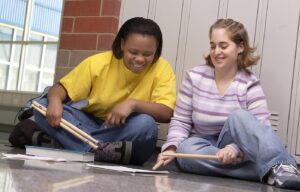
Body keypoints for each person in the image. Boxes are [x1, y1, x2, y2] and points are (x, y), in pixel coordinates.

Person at [9, 17, 176, 165]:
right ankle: (102, 152)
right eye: (133, 52)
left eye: (147, 54)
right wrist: (55, 102)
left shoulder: (162, 68)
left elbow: (166, 112)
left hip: (123, 129)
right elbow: (59, 89)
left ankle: (70, 146)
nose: (140, 59)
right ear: (122, 44)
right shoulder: (98, 62)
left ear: (156, 50)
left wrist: (132, 104)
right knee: (42, 105)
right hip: (90, 124)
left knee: (147, 125)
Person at [156, 18, 300, 190]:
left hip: (239, 146)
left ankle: (277, 165)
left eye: (223, 46)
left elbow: (260, 127)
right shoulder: (193, 77)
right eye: (213, 46)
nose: (216, 51)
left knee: (239, 116)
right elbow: (181, 121)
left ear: (240, 47)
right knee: (186, 152)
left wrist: (234, 149)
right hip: (202, 146)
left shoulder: (249, 83)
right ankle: (269, 169)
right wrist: (171, 147)